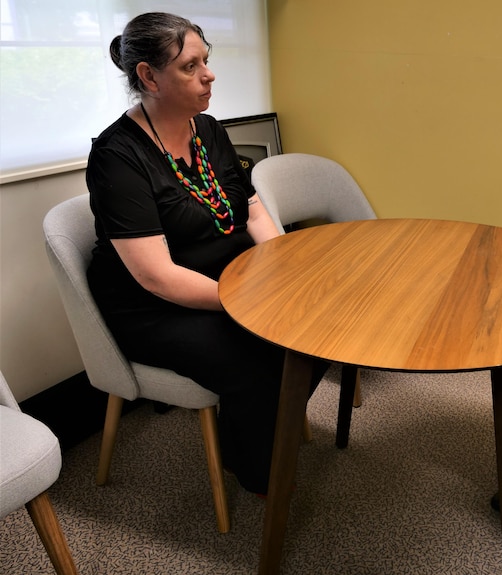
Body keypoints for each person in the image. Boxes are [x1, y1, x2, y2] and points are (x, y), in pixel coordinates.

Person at [86, 12, 327, 496]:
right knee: (259, 358)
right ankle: (257, 468)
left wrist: (286, 273)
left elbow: (253, 209)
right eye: (190, 66)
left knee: (318, 323)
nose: (209, 74)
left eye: (207, 61)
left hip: (231, 277)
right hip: (155, 305)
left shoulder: (208, 129)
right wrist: (254, 303)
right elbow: (156, 276)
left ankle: (262, 428)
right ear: (149, 77)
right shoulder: (117, 156)